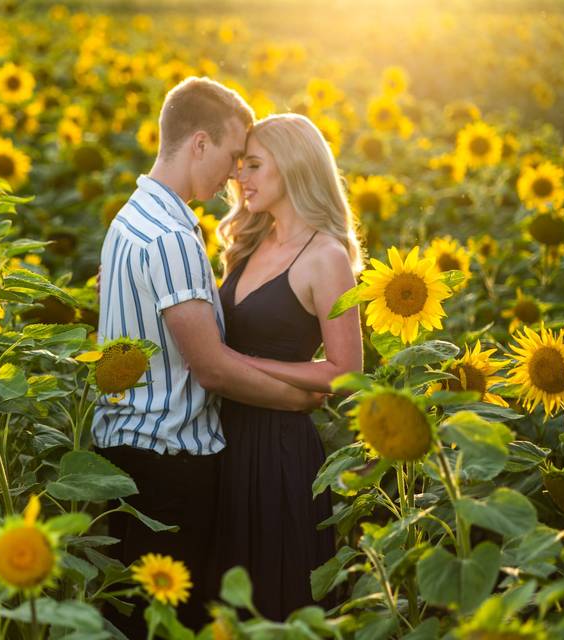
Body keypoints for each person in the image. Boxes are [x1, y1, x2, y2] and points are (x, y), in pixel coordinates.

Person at [92, 78, 321, 636]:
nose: (233, 176)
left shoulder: (131, 218)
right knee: (165, 626)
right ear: (198, 143)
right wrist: (299, 398)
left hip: (122, 458)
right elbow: (211, 366)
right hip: (168, 467)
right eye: (231, 156)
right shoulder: (171, 234)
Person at [214, 113, 364, 620]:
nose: (240, 178)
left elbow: (345, 373)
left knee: (278, 601)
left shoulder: (326, 256)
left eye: (253, 165)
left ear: (294, 166)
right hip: (223, 440)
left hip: (281, 453)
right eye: (240, 166)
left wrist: (242, 364)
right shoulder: (251, 242)